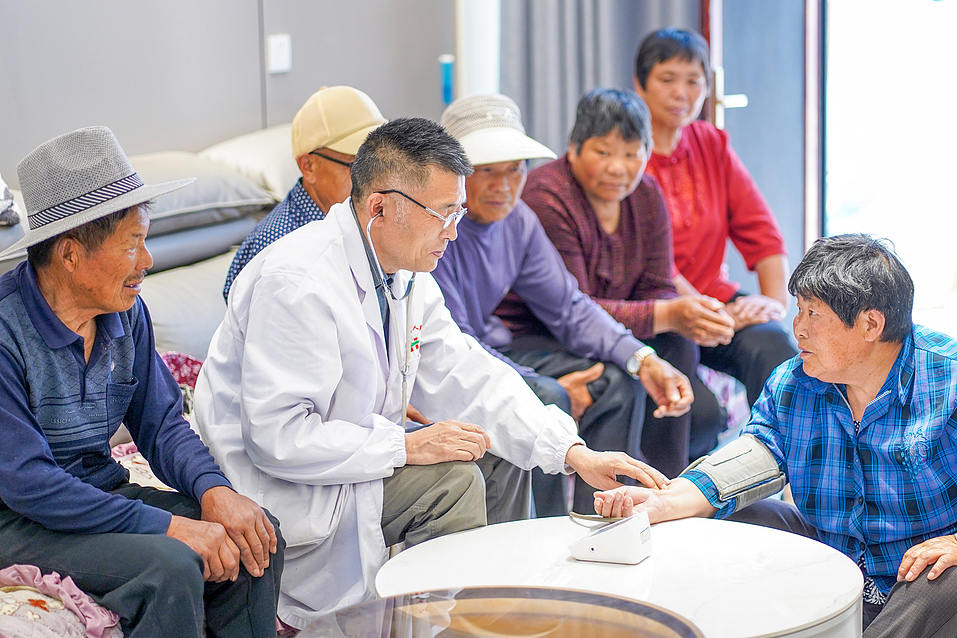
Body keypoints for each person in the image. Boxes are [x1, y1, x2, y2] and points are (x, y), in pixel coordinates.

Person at [193, 117, 678, 629]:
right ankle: (454, 626)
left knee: (493, 446)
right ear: (380, 206)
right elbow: (278, 437)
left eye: (458, 212)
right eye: (443, 214)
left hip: (347, 463)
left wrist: (573, 453)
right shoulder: (297, 282)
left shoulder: (405, 273)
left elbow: (466, 373)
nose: (454, 231)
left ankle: (496, 610)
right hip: (281, 484)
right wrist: (406, 446)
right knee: (453, 481)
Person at [595, 234, 957, 637]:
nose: (797, 327)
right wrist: (667, 500)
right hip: (848, 567)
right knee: (727, 519)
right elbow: (758, 450)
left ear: (871, 324)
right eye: (798, 309)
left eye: (813, 313)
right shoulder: (797, 380)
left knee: (940, 584)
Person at [0, 126, 284, 638]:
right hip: (16, 521)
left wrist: (213, 490)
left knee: (256, 535)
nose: (148, 262)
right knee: (170, 565)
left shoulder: (124, 312)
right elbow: (29, 484)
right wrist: (172, 526)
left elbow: (161, 426)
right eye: (133, 245)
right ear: (69, 254)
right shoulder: (4, 332)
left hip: (97, 495)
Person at [435, 94, 694, 516]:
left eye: (515, 170)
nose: (503, 186)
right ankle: (548, 534)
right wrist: (529, 380)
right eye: (486, 172)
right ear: (455, 172)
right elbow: (449, 345)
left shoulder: (516, 219)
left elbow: (569, 306)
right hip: (453, 361)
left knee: (616, 385)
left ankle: (610, 520)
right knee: (548, 394)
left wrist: (640, 358)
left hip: (494, 348)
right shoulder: (439, 226)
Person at [521, 88, 733, 474]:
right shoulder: (547, 196)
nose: (619, 168)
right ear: (573, 148)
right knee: (636, 375)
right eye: (603, 152)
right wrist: (665, 313)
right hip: (546, 332)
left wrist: (675, 314)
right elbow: (572, 306)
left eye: (633, 154)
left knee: (681, 346)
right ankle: (614, 494)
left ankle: (667, 486)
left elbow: (658, 284)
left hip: (620, 330)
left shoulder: (647, 194)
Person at [635, 28, 797, 407]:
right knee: (698, 411)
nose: (682, 93)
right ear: (640, 84)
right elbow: (657, 265)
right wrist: (712, 313)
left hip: (718, 303)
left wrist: (774, 301)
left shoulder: (711, 142)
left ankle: (779, 458)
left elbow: (761, 231)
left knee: (774, 347)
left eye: (694, 81)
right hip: (659, 313)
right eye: (668, 79)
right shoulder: (627, 158)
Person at [223, 85, 386, 299]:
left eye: (381, 164)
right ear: (308, 166)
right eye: (357, 165)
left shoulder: (368, 218)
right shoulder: (277, 247)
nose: (374, 177)